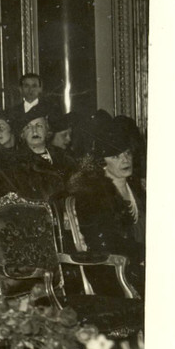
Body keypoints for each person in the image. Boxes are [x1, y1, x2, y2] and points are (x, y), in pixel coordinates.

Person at [67, 116, 146, 294]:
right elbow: (103, 243)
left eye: (127, 153)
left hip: (140, 262)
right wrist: (144, 253)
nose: (125, 160)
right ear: (102, 163)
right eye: (116, 156)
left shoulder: (138, 189)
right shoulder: (92, 196)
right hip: (111, 269)